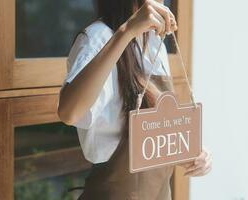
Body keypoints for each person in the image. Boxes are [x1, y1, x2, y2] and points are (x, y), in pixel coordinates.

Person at [57, 0, 212, 199]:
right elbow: (70, 113)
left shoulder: (155, 42)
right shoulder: (98, 37)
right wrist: (127, 31)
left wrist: (187, 149)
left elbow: (154, 128)